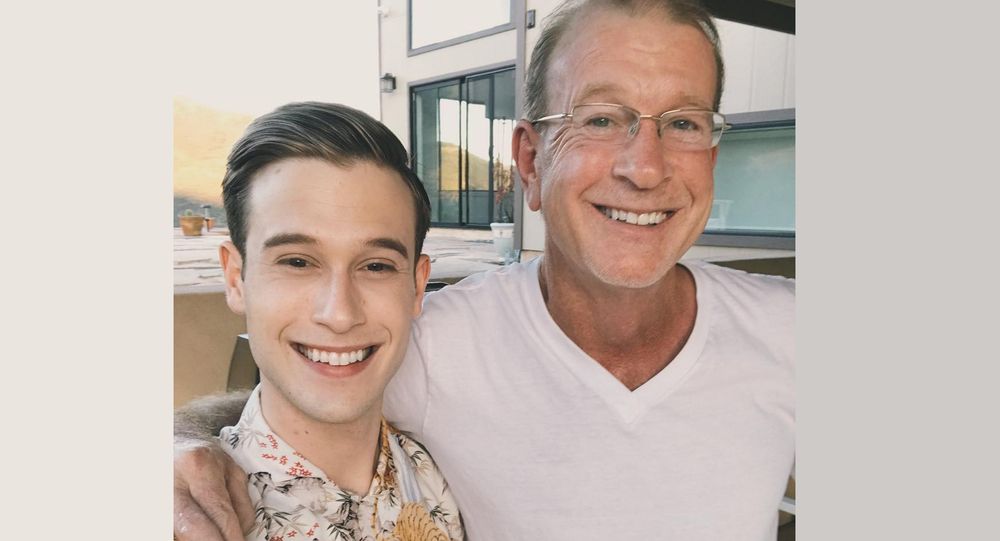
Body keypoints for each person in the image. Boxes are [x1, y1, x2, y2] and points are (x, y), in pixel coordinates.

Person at [174, 0, 794, 539]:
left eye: (683, 123)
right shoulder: (437, 340)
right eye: (600, 119)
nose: (646, 167)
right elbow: (299, 394)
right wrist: (177, 452)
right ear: (529, 162)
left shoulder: (791, 326)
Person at [178, 102, 464, 541]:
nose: (339, 313)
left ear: (417, 285)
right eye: (297, 261)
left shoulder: (441, 474)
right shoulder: (194, 516)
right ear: (236, 278)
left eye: (376, 266)